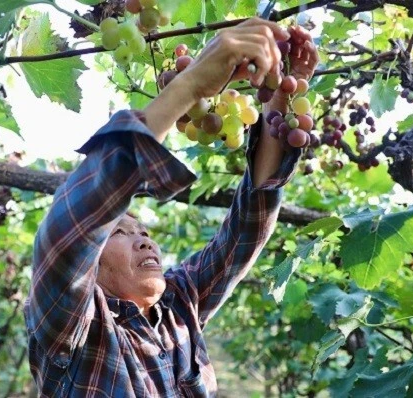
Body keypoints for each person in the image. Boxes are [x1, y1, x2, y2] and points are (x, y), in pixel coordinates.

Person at [24, 17, 319, 397]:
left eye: (143, 232)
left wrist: (280, 95)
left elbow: (244, 233)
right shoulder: (71, 328)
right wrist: (191, 85)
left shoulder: (180, 305)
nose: (145, 241)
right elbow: (71, 232)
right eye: (121, 233)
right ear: (90, 266)